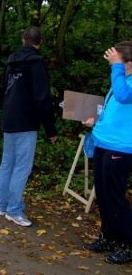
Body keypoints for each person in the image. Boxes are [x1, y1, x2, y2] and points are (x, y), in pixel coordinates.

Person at [0, 26, 57, 227]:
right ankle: (13, 209)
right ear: (40, 42)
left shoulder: (11, 61)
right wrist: (51, 129)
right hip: (26, 120)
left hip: (10, 117)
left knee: (8, 163)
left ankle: (2, 205)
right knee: (21, 166)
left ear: (23, 40)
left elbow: (5, 89)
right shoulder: (37, 63)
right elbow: (42, 97)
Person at [82, 42, 132, 265]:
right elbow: (115, 108)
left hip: (120, 148)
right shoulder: (119, 79)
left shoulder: (123, 81)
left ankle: (128, 244)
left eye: (117, 60)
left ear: (128, 63)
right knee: (103, 196)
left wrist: (117, 67)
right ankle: (109, 237)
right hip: (103, 143)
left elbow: (123, 96)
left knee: (115, 198)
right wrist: (95, 119)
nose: (111, 64)